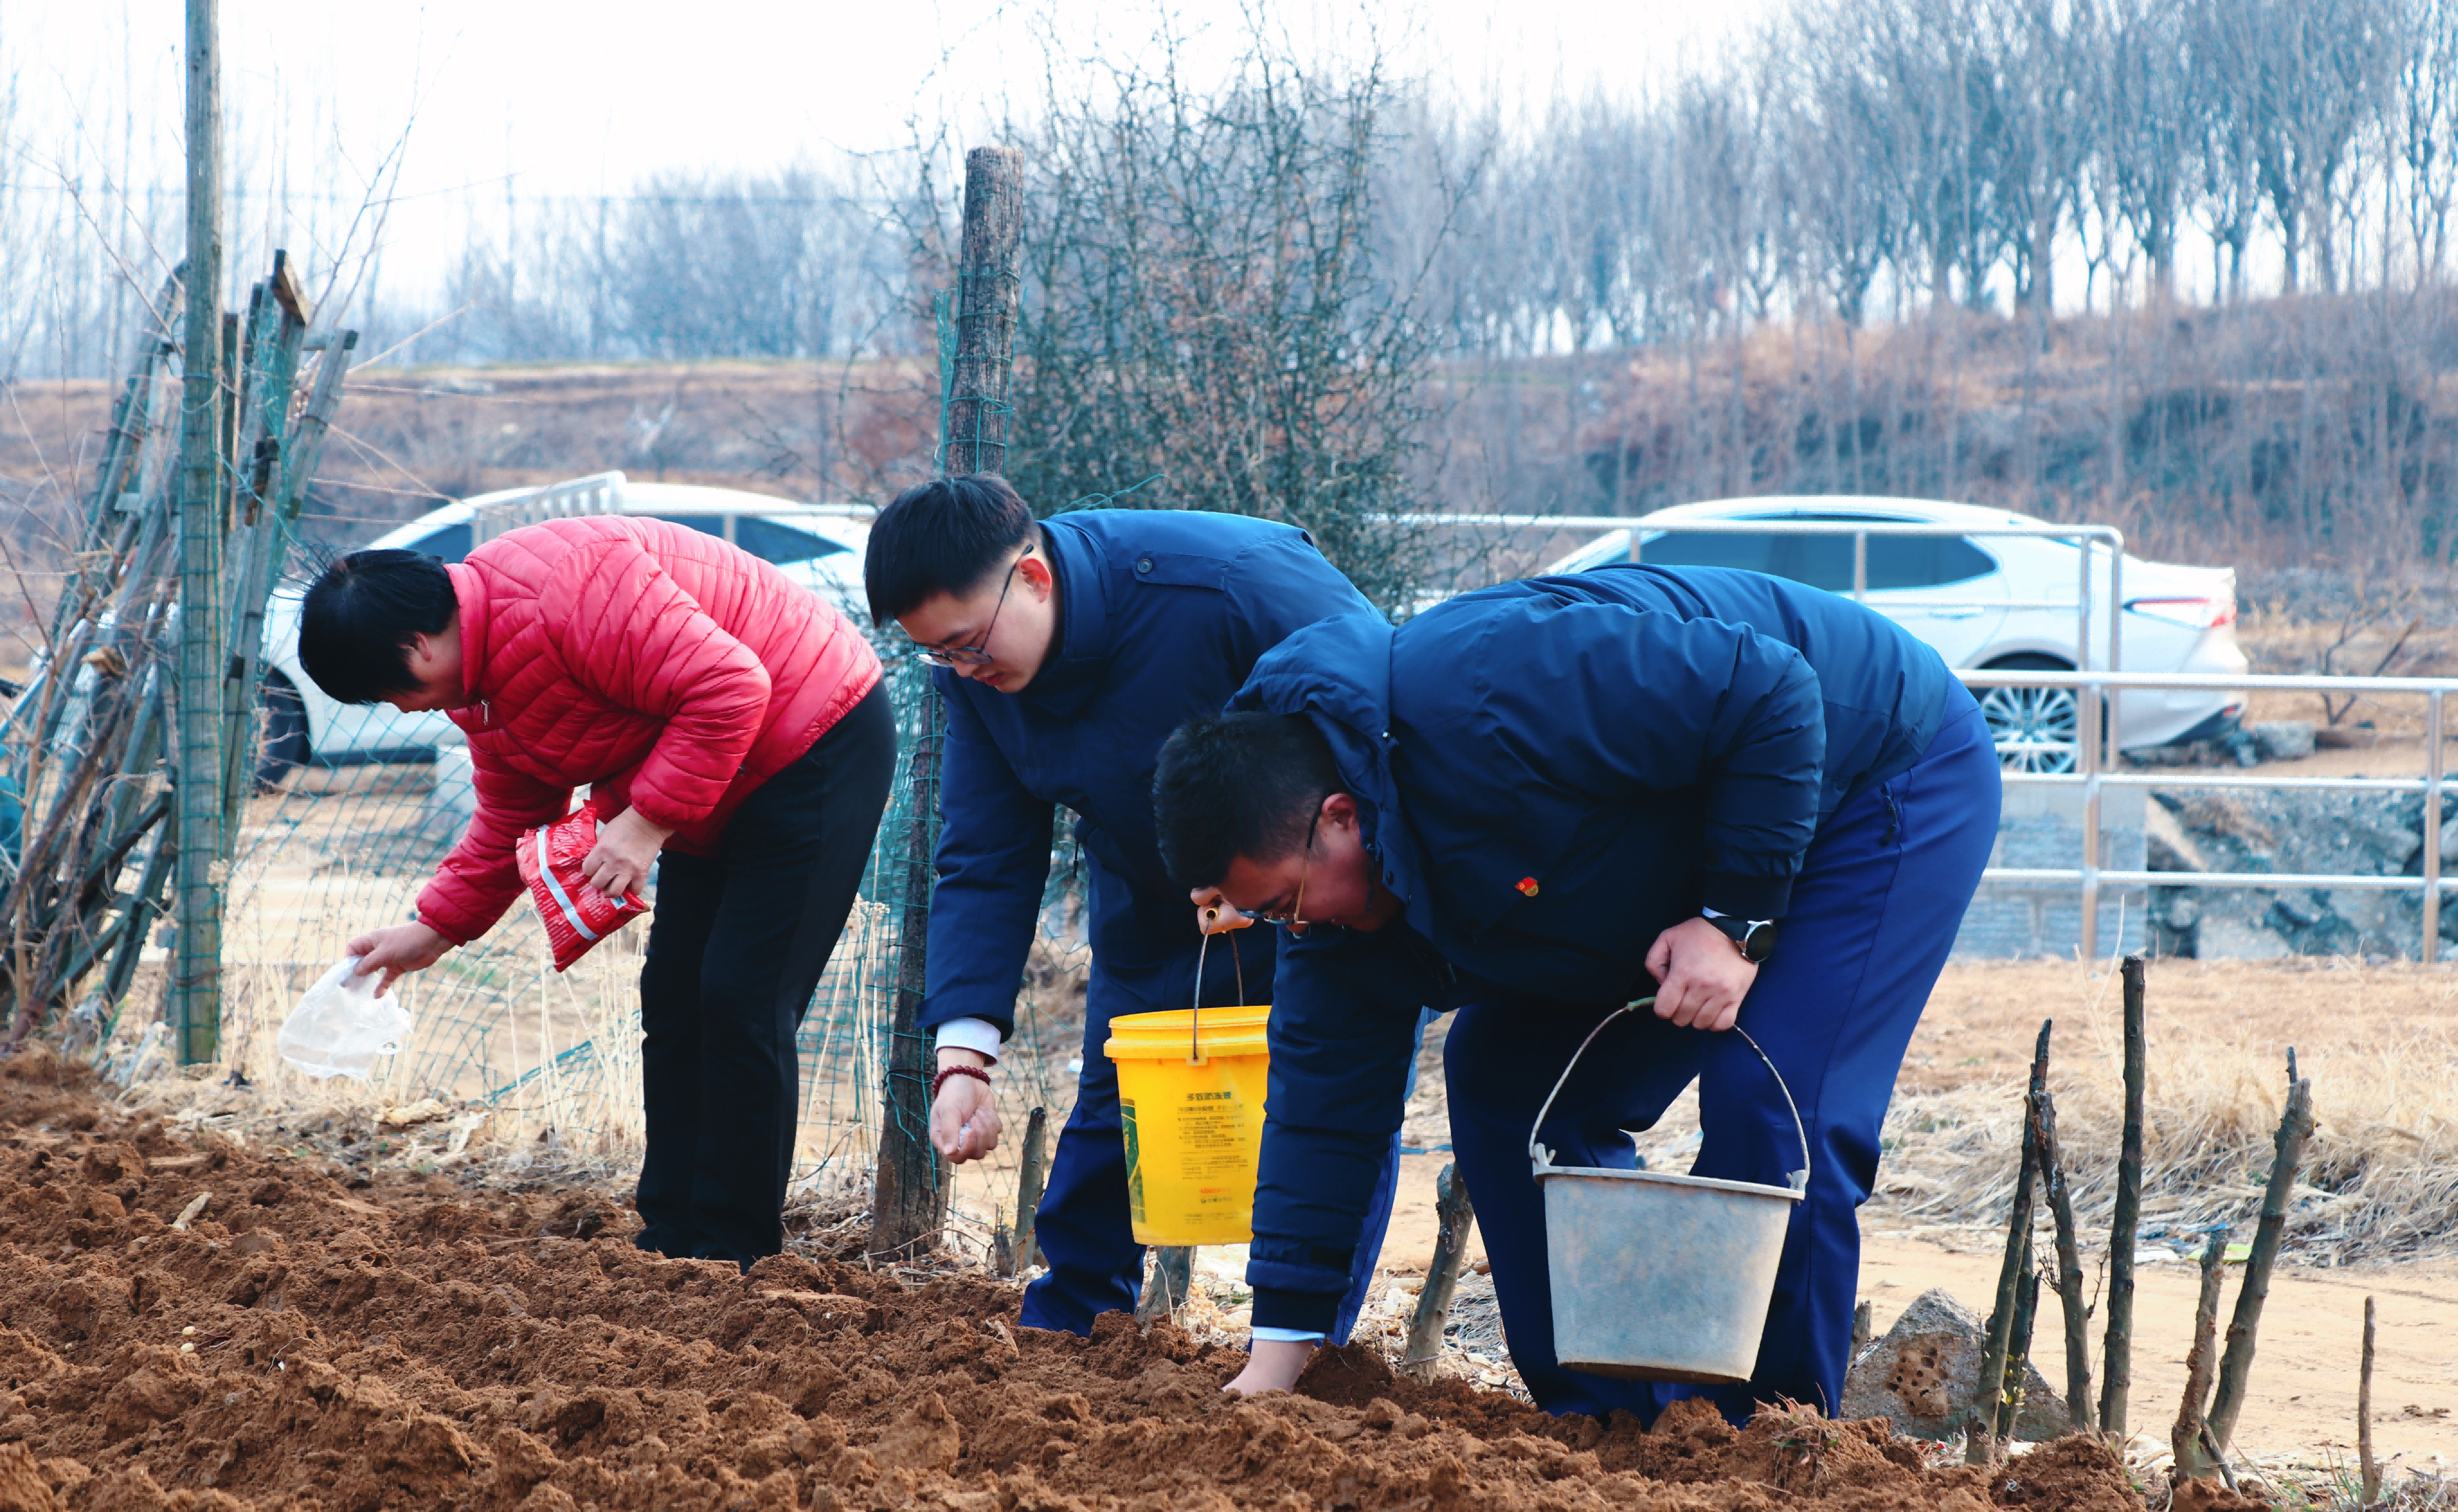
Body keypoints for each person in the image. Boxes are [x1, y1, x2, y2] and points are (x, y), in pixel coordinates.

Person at [1152, 561, 2000, 1419]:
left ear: (1340, 817)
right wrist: (1277, 1356)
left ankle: (1776, 1436)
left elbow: (1771, 692)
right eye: (1264, 916)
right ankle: (1612, 1415)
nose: (1290, 929)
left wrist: (1735, 920)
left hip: (1877, 766)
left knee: (1772, 1106)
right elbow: (1320, 1112)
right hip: (1683, 838)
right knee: (1504, 1080)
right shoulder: (1329, 922)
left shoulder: (1491, 686)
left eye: (1285, 902)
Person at [862, 474, 1402, 1338]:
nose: (966, 669)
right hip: (1153, 896)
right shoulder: (973, 677)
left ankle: (1304, 1345)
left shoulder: (1231, 585)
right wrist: (963, 1052)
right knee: (1116, 1105)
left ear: (1034, 578)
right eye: (942, 656)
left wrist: (1295, 860)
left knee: (1328, 1107)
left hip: (1324, 889)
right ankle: (1076, 1324)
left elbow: (1381, 717)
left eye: (969, 644)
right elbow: (986, 853)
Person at [298, 516, 895, 1268]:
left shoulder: (566, 588)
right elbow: (513, 818)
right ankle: (669, 1237)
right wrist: (430, 930)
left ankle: (734, 1250)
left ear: (417, 649)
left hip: (814, 735)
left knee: (742, 997)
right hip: (708, 774)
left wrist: (645, 822)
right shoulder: (481, 688)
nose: (404, 711)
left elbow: (731, 686)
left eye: (391, 695)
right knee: (676, 997)